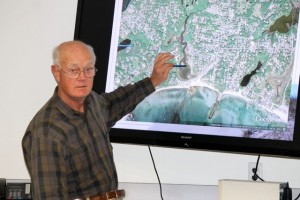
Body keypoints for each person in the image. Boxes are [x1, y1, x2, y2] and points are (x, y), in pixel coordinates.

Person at [22, 40, 174, 200]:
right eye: (73, 70)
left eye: (88, 69)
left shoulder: (92, 103)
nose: (82, 77)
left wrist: (153, 81)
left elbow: (117, 102)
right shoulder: (47, 133)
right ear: (56, 72)